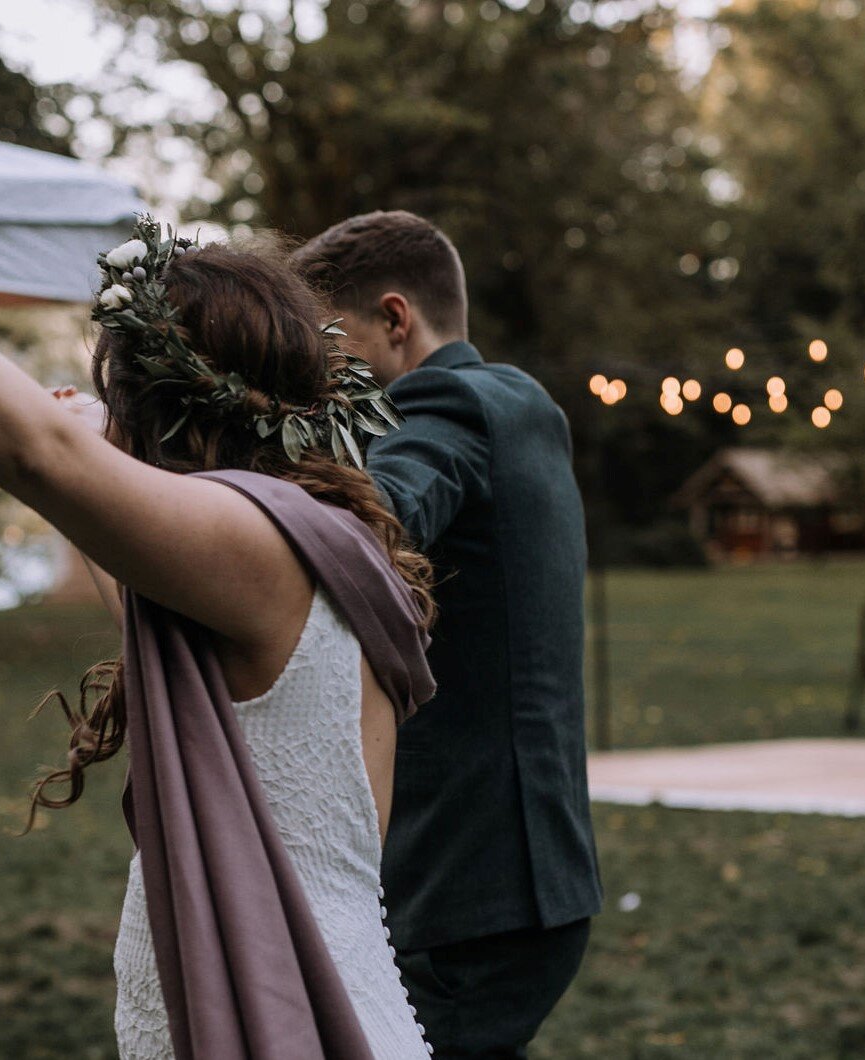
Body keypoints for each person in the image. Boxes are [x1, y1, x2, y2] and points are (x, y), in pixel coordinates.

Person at [0, 102, 438, 1058]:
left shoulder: (259, 544)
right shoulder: (293, 550)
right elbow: (118, 559)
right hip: (285, 994)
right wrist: (86, 460)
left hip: (283, 1012)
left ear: (158, 407)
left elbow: (31, 453)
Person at [294, 211, 602, 1058]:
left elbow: (368, 525)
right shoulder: (522, 404)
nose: (318, 383)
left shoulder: (443, 403)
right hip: (529, 878)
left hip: (465, 893)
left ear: (395, 320)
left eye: (329, 347)